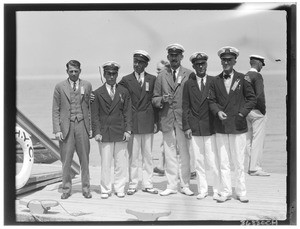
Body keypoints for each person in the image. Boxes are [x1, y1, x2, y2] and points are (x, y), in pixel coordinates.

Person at [208, 46, 256, 203]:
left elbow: (251, 99)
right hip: (221, 127)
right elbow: (211, 101)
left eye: (229, 60)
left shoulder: (243, 79)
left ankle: (241, 192)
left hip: (238, 126)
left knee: (239, 162)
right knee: (223, 162)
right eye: (224, 60)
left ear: (235, 61)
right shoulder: (215, 81)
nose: (226, 62)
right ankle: (226, 192)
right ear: (221, 61)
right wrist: (217, 112)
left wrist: (242, 114)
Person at [152, 43, 194, 196]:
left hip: (183, 120)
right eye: (171, 56)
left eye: (177, 56)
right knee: (169, 153)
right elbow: (154, 99)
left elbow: (193, 99)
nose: (174, 58)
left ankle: (186, 185)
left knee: (185, 153)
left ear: (181, 57)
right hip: (167, 119)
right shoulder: (161, 75)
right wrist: (162, 99)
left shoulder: (189, 74)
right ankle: (171, 185)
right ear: (168, 57)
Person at [118, 50, 158, 195]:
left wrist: (156, 122)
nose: (137, 65)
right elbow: (115, 93)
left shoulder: (152, 79)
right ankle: (133, 184)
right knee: (133, 156)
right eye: (135, 62)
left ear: (146, 64)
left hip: (148, 121)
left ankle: (148, 184)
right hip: (133, 123)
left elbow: (155, 102)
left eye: (140, 62)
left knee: (148, 156)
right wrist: (95, 95)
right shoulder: (126, 79)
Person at [91, 61, 132, 199]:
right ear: (104, 74)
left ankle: (120, 188)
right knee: (106, 163)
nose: (111, 76)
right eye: (108, 74)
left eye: (114, 74)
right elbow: (94, 115)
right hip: (105, 133)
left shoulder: (124, 92)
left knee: (121, 163)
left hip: (120, 132)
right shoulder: (97, 93)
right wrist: (96, 132)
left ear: (117, 74)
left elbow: (128, 112)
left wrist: (128, 130)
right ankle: (105, 188)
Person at [52, 60, 92, 199]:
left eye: (76, 71)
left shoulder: (87, 85)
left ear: (80, 70)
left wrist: (91, 128)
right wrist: (57, 130)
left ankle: (86, 189)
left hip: (82, 125)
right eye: (71, 71)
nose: (73, 74)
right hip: (66, 128)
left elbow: (90, 108)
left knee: (85, 160)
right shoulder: (59, 87)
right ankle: (66, 189)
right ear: (67, 72)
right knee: (66, 160)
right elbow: (55, 110)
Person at [182, 52, 220, 200]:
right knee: (198, 161)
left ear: (206, 65)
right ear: (193, 66)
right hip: (195, 128)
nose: (201, 67)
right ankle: (202, 189)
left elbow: (217, 103)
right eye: (197, 64)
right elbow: (185, 107)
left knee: (212, 161)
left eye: (203, 64)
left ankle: (216, 189)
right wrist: (186, 127)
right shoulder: (188, 84)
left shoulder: (214, 81)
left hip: (210, 128)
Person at [245, 55, 270, 176]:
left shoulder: (245, 76)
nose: (262, 67)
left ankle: (249, 167)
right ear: (258, 63)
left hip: (246, 111)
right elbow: (259, 95)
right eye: (261, 65)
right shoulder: (257, 76)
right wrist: (263, 111)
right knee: (258, 140)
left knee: (248, 140)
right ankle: (255, 168)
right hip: (256, 111)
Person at [152, 60, 171, 176]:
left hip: (172, 118)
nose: (157, 72)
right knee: (164, 144)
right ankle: (161, 166)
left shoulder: (169, 81)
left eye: (159, 69)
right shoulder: (158, 81)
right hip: (163, 118)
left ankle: (191, 170)